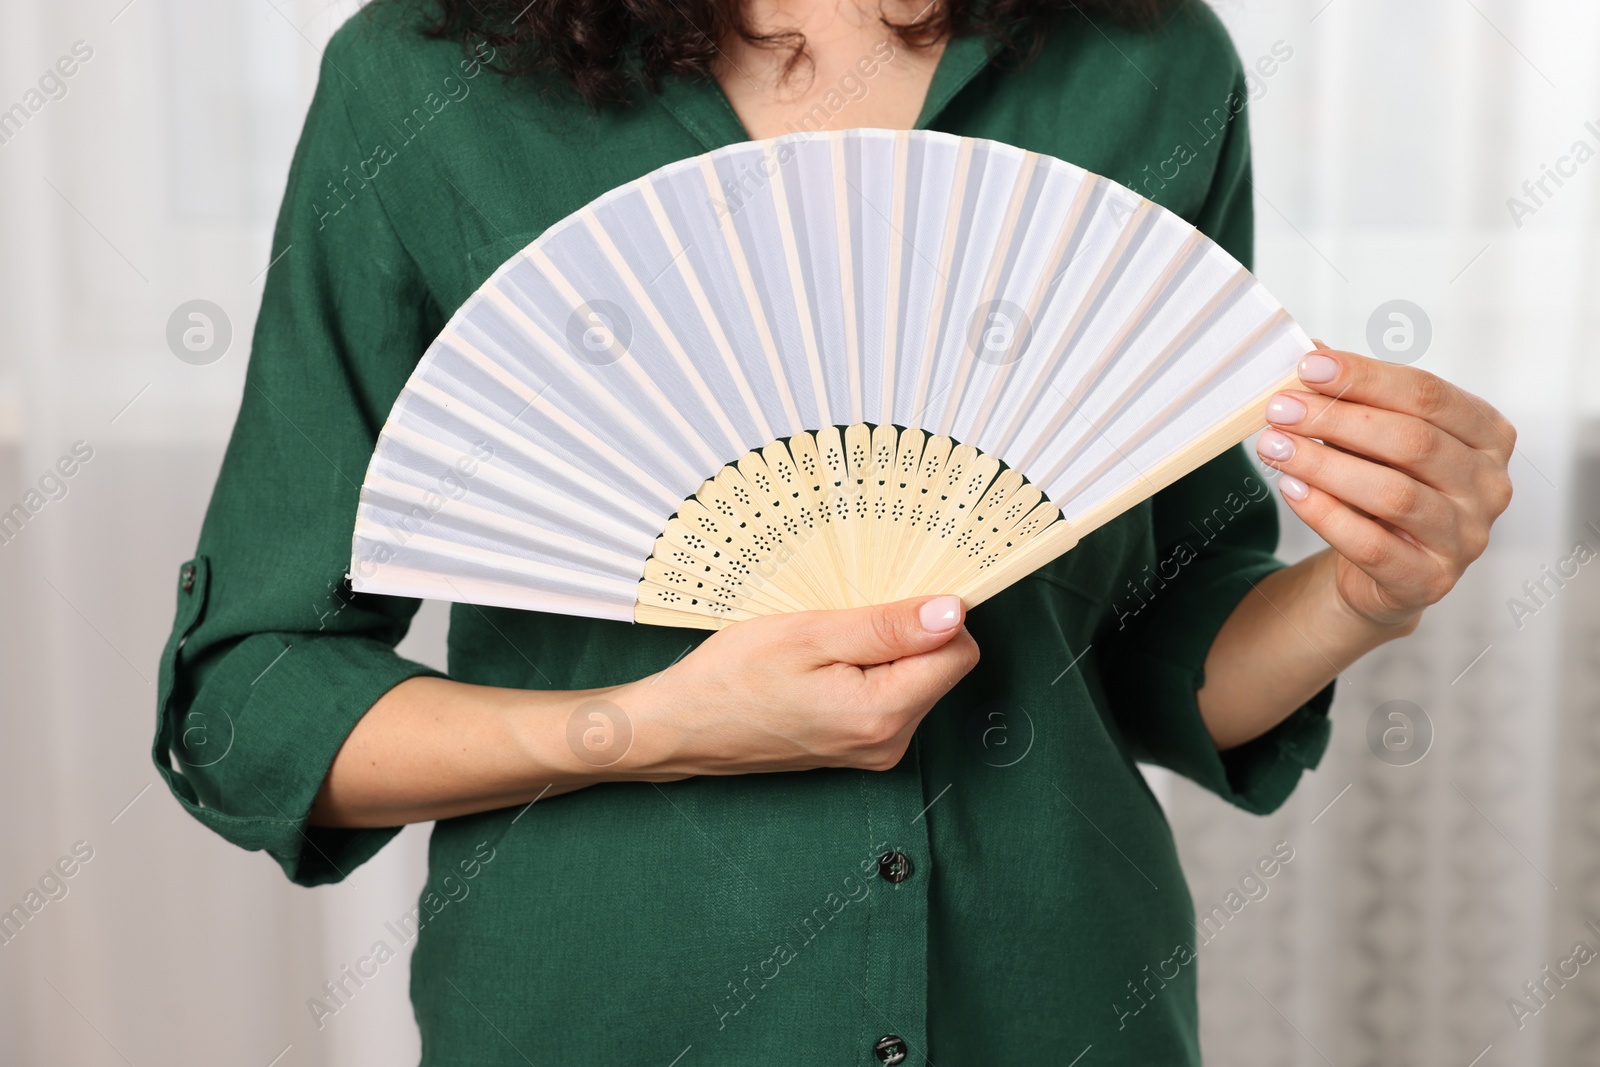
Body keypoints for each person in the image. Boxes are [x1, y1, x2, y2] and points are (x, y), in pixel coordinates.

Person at [152, 0, 1515, 1062]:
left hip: (1062, 1009)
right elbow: (251, 697)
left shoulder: (1149, 63)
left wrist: (1367, 590)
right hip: (605, 1015)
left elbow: (1162, 646)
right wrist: (655, 727)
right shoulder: (425, 78)